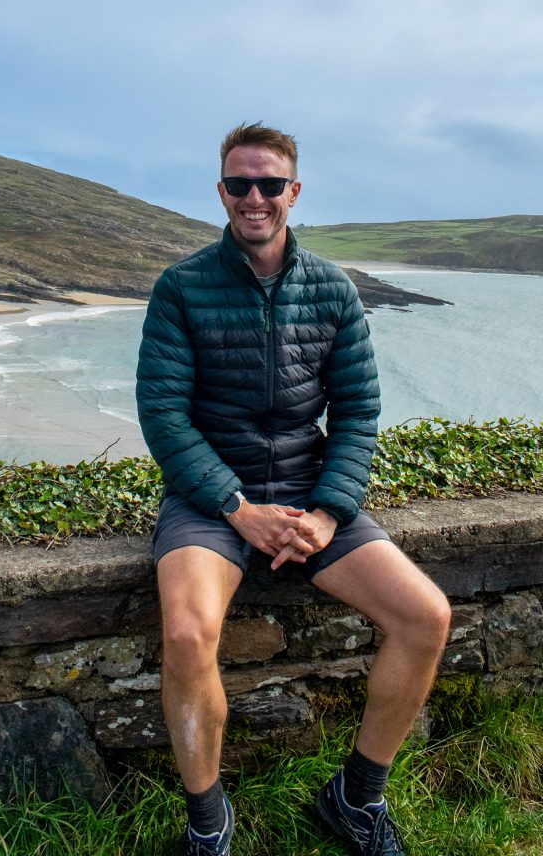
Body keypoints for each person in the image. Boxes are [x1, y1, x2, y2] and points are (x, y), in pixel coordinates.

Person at [135, 122, 451, 856]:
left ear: (294, 192)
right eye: (239, 183)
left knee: (427, 617)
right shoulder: (181, 287)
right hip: (210, 500)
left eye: (270, 184)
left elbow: (359, 412)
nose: (255, 197)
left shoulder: (333, 289)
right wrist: (237, 509)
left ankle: (356, 799)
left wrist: (330, 511)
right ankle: (208, 825)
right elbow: (164, 415)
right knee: (186, 634)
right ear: (221, 192)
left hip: (311, 491)